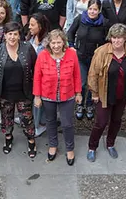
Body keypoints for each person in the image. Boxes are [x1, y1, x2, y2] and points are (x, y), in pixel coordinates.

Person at [86, 24, 126, 162]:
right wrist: (95, 93)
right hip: (105, 94)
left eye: (120, 38)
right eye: (114, 38)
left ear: (125, 38)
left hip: (122, 95)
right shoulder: (101, 52)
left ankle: (110, 144)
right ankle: (92, 147)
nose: (117, 41)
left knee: (116, 121)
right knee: (101, 122)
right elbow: (92, 74)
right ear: (110, 38)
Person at [0, 22, 38, 156]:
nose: (12, 37)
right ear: (4, 35)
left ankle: (31, 140)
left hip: (24, 92)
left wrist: (36, 90)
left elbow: (37, 68)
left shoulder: (27, 48)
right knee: (6, 118)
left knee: (27, 119)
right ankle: (8, 139)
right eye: (9, 34)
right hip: (5, 93)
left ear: (19, 35)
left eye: (15, 34)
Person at [34, 29, 82, 165]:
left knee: (67, 123)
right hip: (47, 95)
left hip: (68, 95)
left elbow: (77, 75)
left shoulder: (72, 54)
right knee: (50, 122)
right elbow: (37, 77)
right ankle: (53, 145)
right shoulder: (42, 55)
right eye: (53, 43)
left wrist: (78, 93)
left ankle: (69, 148)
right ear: (49, 43)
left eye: (58, 42)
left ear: (63, 42)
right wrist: (37, 96)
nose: (56, 46)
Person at [67, 0, 109, 120]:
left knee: (92, 83)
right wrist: (72, 46)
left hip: (95, 58)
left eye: (95, 9)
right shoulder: (80, 19)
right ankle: (80, 104)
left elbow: (107, 40)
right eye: (90, 9)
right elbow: (70, 33)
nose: (92, 11)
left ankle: (90, 104)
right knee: (83, 82)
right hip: (80, 56)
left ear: (99, 10)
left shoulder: (104, 23)